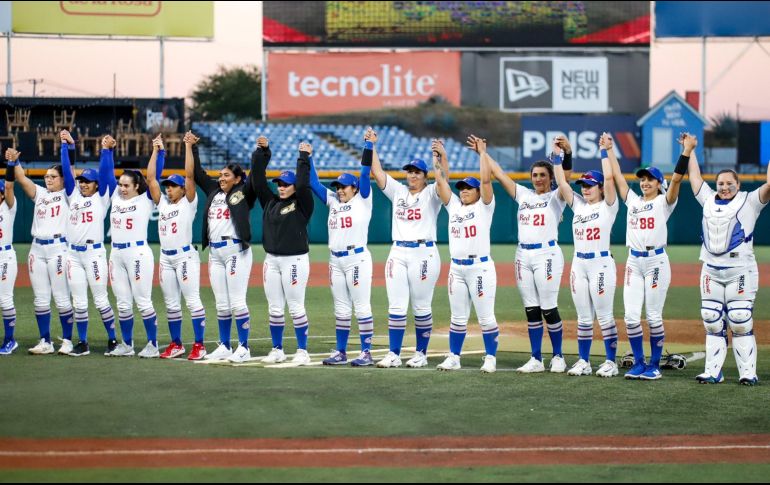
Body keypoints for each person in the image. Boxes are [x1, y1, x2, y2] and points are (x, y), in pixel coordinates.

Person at [484, 135, 572, 374]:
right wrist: (483, 153)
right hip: (523, 255)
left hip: (547, 254)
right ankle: (536, 358)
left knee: (549, 308)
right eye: (535, 175)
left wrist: (566, 154)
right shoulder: (524, 195)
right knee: (531, 309)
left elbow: (566, 177)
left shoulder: (557, 197)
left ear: (551, 178)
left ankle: (558, 356)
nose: (538, 178)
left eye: (543, 175)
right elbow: (499, 174)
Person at [687, 134, 770, 385]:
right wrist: (690, 150)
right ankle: (713, 372)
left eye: (729, 183)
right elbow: (695, 178)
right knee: (711, 319)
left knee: (740, 319)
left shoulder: (750, 201)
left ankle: (748, 373)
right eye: (721, 183)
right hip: (711, 271)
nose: (724, 187)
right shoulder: (707, 199)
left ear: (738, 183)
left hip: (740, 271)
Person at [608, 133, 687, 380]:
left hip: (656, 261)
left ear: (659, 183)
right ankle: (639, 362)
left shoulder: (665, 202)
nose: (645, 182)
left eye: (650, 179)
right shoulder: (632, 201)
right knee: (631, 316)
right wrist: (609, 149)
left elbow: (677, 179)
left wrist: (686, 152)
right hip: (634, 261)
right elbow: (618, 177)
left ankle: (654, 365)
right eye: (642, 179)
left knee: (653, 315)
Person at [370, 134, 445, 369]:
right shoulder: (398, 192)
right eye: (410, 171)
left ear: (425, 176)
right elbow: (377, 172)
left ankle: (421, 354)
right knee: (396, 306)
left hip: (423, 253)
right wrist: (371, 145)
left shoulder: (432, 193)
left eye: (417, 172)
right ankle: (393, 354)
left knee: (421, 306)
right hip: (398, 252)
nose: (412, 175)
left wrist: (439, 158)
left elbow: (443, 180)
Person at [192, 132, 264, 363]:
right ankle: (224, 345)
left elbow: (256, 175)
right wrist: (193, 148)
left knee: (237, 301)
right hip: (215, 253)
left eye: (226, 175)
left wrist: (262, 152)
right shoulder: (214, 191)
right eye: (220, 175)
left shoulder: (243, 193)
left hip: (235, 251)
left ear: (237, 178)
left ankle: (244, 347)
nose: (221, 178)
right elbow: (197, 174)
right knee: (221, 303)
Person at [554, 133, 620, 377]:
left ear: (600, 188)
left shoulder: (608, 206)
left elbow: (610, 177)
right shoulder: (579, 205)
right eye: (583, 184)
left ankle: (611, 362)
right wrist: (557, 156)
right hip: (579, 265)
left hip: (601, 264)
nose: (585, 188)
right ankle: (584, 360)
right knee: (583, 317)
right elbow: (562, 183)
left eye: (590, 185)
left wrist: (604, 151)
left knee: (604, 316)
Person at [433, 135, 500, 373]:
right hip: (457, 269)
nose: (463, 191)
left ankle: (490, 358)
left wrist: (482, 154)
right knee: (457, 317)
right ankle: (454, 357)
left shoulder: (485, 206)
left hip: (479, 268)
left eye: (468, 188)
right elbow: (441, 182)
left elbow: (486, 179)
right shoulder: (454, 207)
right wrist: (439, 158)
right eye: (461, 188)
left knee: (485, 317)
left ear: (478, 192)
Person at [309, 131, 375, 367]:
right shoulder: (333, 201)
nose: (339, 190)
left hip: (357, 258)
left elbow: (365, 173)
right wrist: (308, 158)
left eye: (344, 187)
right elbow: (313, 183)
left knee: (361, 306)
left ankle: (366, 352)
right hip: (335, 261)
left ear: (354, 188)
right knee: (341, 308)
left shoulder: (363, 199)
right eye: (338, 186)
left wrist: (369, 145)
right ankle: (341, 351)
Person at [147, 134, 207, 360]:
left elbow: (190, 175)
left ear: (183, 189)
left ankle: (199, 345)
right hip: (165, 258)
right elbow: (151, 178)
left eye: (173, 186)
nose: (169, 189)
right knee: (171, 304)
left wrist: (188, 146)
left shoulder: (188, 203)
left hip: (185, 257)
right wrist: (156, 151)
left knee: (192, 301)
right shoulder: (163, 203)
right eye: (168, 186)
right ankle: (176, 344)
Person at [255, 142, 315, 366]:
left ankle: (302, 351)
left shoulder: (302, 204)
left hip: (294, 260)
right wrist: (262, 153)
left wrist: (303, 157)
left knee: (296, 306)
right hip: (271, 260)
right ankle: (277, 349)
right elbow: (258, 181)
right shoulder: (270, 202)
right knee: (275, 308)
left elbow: (303, 184)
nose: (281, 187)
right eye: (279, 184)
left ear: (294, 187)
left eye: (286, 184)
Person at [59, 130, 118, 357]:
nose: (83, 185)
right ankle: (82, 343)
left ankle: (113, 340)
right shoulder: (72, 196)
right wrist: (66, 146)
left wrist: (106, 151)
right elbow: (66, 171)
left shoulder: (102, 198)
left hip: (94, 254)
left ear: (96, 185)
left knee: (101, 299)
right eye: (82, 181)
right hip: (73, 255)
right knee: (79, 302)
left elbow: (106, 173)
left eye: (88, 182)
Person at [10, 148, 73, 355]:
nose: (48, 179)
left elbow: (70, 171)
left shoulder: (68, 195)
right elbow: (21, 178)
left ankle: (67, 341)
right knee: (40, 298)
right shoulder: (40, 194)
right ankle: (45, 341)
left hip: (58, 248)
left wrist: (67, 148)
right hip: (36, 249)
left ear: (63, 179)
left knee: (62, 298)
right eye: (46, 176)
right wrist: (15, 161)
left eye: (53, 176)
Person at [106, 148, 161, 358]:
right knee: (122, 303)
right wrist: (107, 151)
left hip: (137, 253)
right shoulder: (115, 197)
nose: (121, 188)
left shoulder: (145, 199)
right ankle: (127, 345)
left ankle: (153, 345)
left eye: (126, 185)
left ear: (137, 185)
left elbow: (154, 176)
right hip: (116, 254)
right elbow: (106, 173)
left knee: (143, 301)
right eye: (120, 184)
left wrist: (158, 152)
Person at [0, 151, 18, 355]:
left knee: (5, 299)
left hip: (5, 256)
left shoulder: (8, 207)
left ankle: (10, 340)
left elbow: (10, 185)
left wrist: (11, 164)